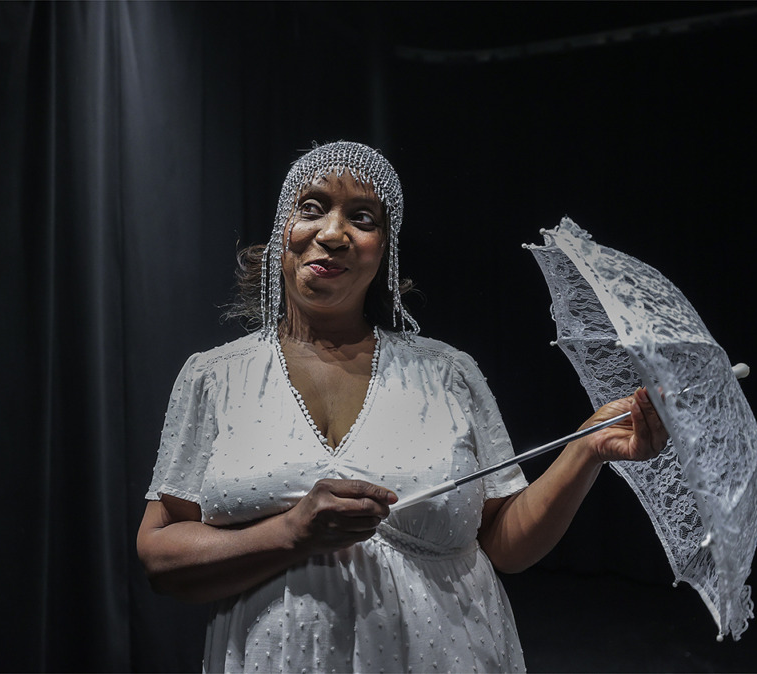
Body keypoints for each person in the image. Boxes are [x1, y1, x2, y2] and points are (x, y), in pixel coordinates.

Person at [136, 141, 668, 673]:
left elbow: (506, 544)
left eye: (362, 218)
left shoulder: (447, 373)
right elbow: (161, 557)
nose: (333, 233)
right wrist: (289, 533)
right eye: (313, 208)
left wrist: (587, 450)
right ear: (282, 234)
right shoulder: (214, 376)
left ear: (383, 251)